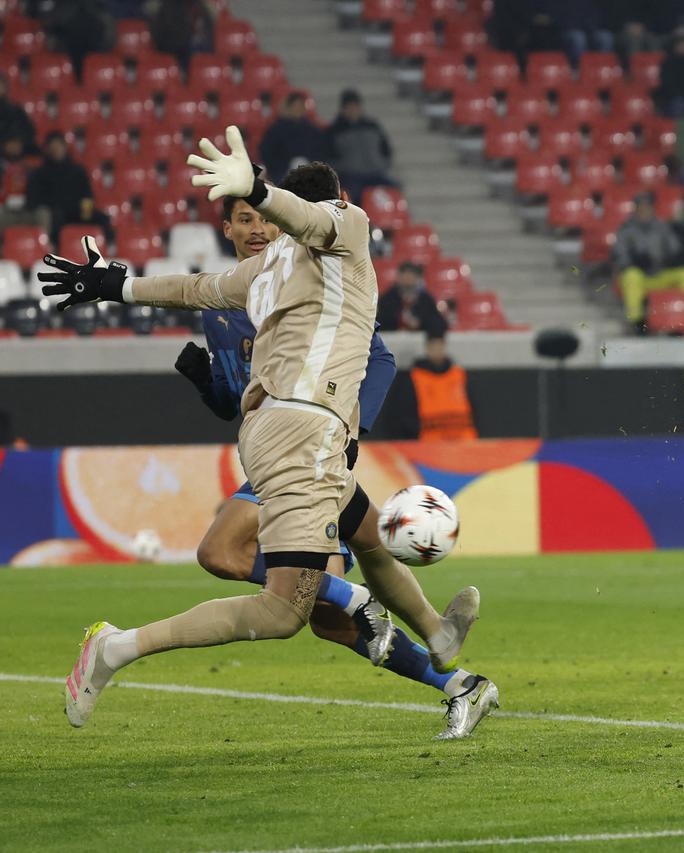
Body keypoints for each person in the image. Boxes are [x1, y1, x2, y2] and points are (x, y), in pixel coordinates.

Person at [42, 132, 495, 737]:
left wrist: (117, 286)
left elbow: (196, 288)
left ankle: (438, 638)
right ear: (339, 202)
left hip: (289, 430)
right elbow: (306, 218)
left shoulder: (267, 270)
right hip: (302, 428)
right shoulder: (347, 226)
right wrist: (260, 190)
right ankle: (118, 648)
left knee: (364, 529)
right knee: (285, 609)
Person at [169, 194, 492, 738]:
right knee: (330, 622)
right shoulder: (221, 307)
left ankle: (379, 610)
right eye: (244, 220)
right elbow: (237, 400)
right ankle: (459, 680)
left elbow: (380, 358)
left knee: (222, 551)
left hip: (311, 453)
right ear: (226, 229)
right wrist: (207, 384)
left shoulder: (314, 272)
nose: (257, 230)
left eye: (265, 220)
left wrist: (349, 431)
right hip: (278, 455)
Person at [613, 191, 684, 332]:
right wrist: (633, 261)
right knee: (630, 276)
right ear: (635, 209)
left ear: (652, 209)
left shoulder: (662, 226)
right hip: (641, 276)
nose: (644, 211)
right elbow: (619, 254)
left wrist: (670, 259)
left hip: (661, 273)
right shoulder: (626, 229)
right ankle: (637, 322)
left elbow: (675, 248)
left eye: (647, 207)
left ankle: (681, 313)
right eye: (641, 208)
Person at [325, 89, 395, 204]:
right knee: (354, 197)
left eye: (356, 106)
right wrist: (344, 168)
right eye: (349, 107)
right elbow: (328, 158)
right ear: (343, 109)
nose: (353, 110)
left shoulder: (372, 126)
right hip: (351, 176)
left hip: (376, 173)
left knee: (394, 189)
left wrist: (382, 163)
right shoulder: (334, 131)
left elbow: (386, 150)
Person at [409, 333, 478, 442]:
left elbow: (475, 409)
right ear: (427, 348)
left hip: (464, 442)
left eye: (440, 345)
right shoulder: (415, 377)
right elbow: (406, 415)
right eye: (433, 346)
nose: (437, 350)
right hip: (430, 444)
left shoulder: (459, 374)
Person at [25, 132, 94, 238]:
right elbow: (34, 199)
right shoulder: (40, 173)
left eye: (58, 146)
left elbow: (87, 195)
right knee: (54, 217)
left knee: (101, 218)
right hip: (53, 213)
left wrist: (87, 214)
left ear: (65, 147)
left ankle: (108, 249)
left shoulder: (78, 171)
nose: (56, 150)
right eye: (52, 147)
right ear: (47, 150)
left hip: (76, 212)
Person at [259, 92, 327, 184]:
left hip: (309, 172)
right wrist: (282, 167)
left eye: (300, 106)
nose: (298, 109)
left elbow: (320, 152)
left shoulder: (312, 130)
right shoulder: (276, 130)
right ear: (289, 108)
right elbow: (267, 152)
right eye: (295, 106)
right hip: (283, 173)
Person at [376, 261, 450, 334]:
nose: (408, 278)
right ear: (399, 277)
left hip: (421, 341)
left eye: (412, 275)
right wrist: (399, 319)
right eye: (405, 275)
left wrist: (419, 323)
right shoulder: (388, 298)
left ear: (417, 278)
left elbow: (439, 323)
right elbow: (380, 322)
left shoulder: (425, 299)